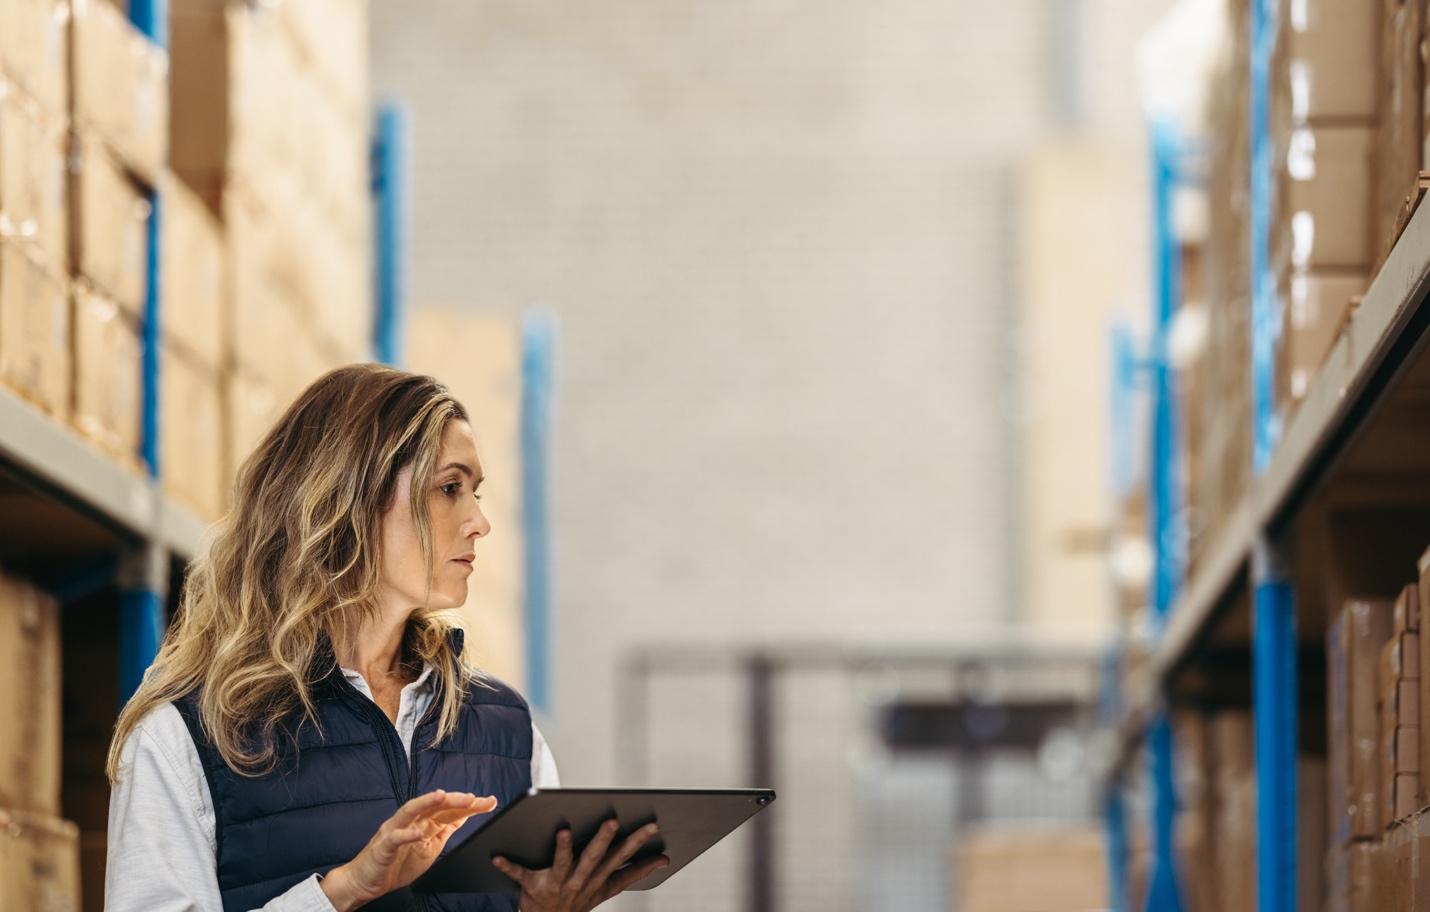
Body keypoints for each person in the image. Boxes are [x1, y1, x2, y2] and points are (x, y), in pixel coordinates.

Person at [104, 364, 667, 911]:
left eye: (476, 492)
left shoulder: (506, 728)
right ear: (345, 501)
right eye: (449, 487)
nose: (479, 521)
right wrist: (343, 891)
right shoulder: (190, 735)